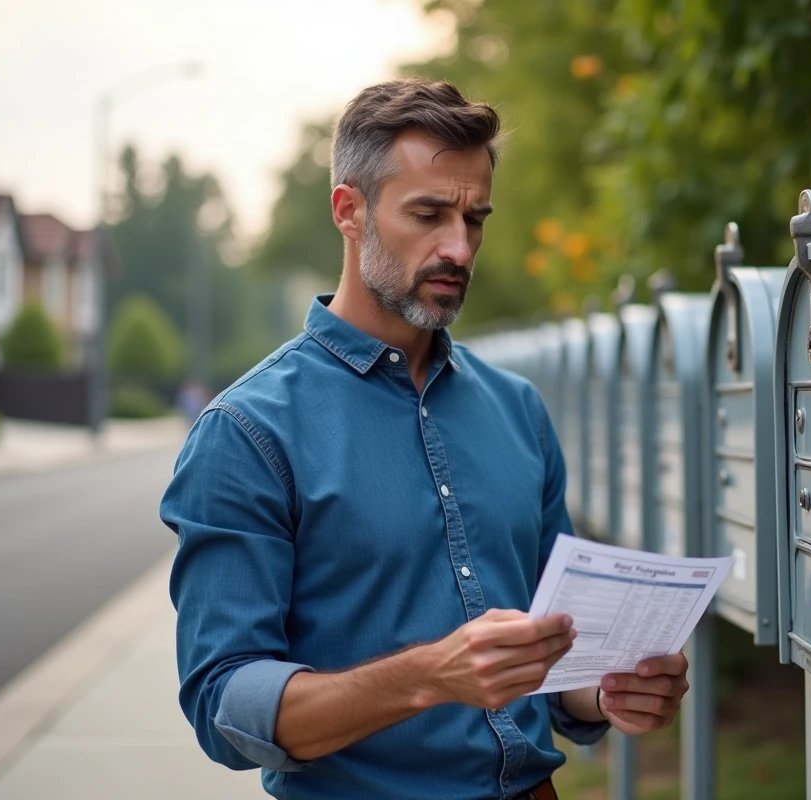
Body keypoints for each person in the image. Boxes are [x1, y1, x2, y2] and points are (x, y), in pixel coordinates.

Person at [159, 77, 689, 800]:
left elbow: (555, 659)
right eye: (429, 214)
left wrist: (609, 691)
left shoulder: (518, 409)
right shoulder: (248, 432)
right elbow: (226, 707)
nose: (459, 247)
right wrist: (427, 676)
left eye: (475, 219)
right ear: (350, 211)